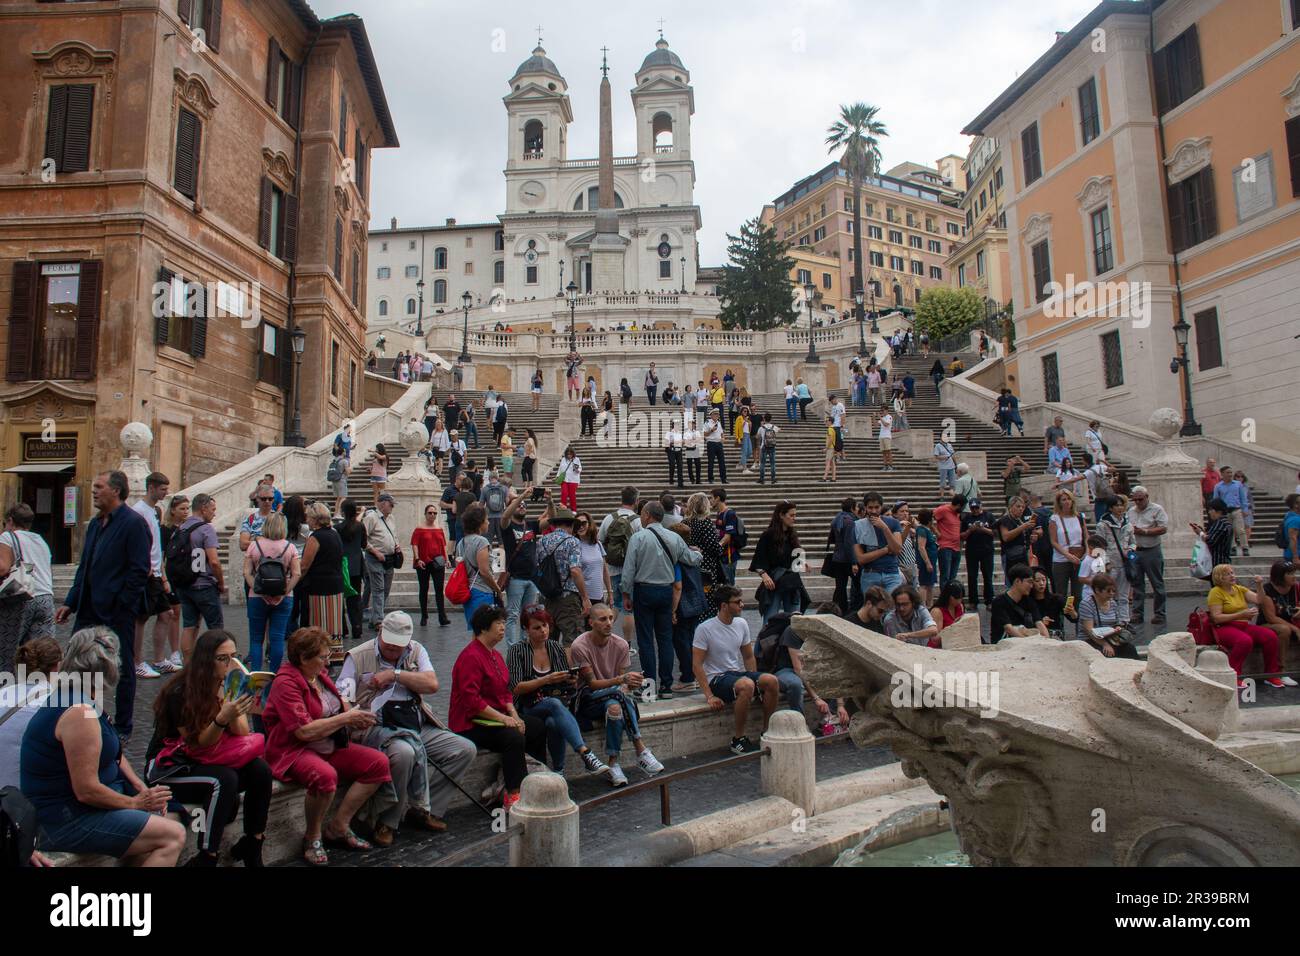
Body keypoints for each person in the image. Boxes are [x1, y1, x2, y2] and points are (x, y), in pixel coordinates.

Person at [20, 626, 186, 864]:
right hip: (65, 820)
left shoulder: (77, 695)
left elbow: (113, 753)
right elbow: (86, 790)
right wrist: (136, 803)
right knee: (173, 834)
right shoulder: (80, 712)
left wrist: (139, 786)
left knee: (169, 816)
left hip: (80, 809)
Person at [338, 611, 477, 846]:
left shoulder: (416, 650)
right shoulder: (358, 655)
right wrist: (354, 714)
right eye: (388, 646)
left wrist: (395, 674)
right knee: (404, 753)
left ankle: (422, 808)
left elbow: (432, 684)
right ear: (380, 633)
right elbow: (342, 695)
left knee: (464, 749)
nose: (393, 651)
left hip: (414, 722)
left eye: (398, 648)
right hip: (377, 726)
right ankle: (387, 821)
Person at [143, 629, 274, 866]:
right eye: (223, 658)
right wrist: (222, 718)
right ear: (206, 660)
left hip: (207, 759)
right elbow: (199, 742)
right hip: (173, 766)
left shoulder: (226, 682)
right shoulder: (180, 692)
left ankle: (254, 843)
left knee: (260, 770)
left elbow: (242, 732)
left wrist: (231, 703)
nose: (230, 664)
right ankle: (207, 855)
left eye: (234, 657)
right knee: (224, 779)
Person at [263, 627, 390, 864]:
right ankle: (312, 836)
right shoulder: (286, 683)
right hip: (295, 749)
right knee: (325, 777)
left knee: (378, 763)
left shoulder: (317, 675)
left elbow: (334, 707)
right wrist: (346, 718)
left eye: (327, 655)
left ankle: (339, 826)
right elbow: (303, 731)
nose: (327, 662)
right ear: (303, 658)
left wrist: (355, 715)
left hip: (328, 744)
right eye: (322, 657)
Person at [56, 471, 151, 742]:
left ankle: (123, 726)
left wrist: (122, 606)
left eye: (99, 487)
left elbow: (138, 571)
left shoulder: (134, 524)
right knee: (75, 662)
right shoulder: (96, 524)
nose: (94, 491)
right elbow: (84, 567)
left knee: (122, 667)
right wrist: (71, 602)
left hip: (117, 610)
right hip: (88, 607)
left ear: (117, 491)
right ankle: (80, 715)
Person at [450, 605, 547, 813]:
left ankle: (536, 778)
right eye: (498, 624)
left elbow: (504, 692)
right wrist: (504, 719)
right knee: (512, 736)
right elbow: (471, 700)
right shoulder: (471, 657)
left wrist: (514, 714)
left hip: (494, 715)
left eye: (504, 623)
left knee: (536, 726)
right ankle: (514, 792)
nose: (503, 628)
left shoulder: (495, 655)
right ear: (484, 628)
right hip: (471, 722)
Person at [505, 607, 608, 776]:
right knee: (552, 704)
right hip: (528, 705)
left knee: (553, 723)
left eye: (545, 625)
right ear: (526, 630)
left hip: (557, 703)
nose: (543, 631)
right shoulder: (517, 650)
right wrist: (545, 679)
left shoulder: (555, 647)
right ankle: (585, 752)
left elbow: (564, 682)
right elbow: (515, 687)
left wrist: (570, 680)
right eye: (537, 628)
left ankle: (559, 771)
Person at [571, 604, 664, 787]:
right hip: (587, 698)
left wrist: (629, 683)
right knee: (616, 695)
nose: (608, 623)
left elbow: (622, 685)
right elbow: (592, 684)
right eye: (602, 619)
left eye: (611, 618)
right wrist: (622, 680)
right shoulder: (579, 646)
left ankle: (613, 763)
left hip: (613, 697)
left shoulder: (620, 644)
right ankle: (640, 748)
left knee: (615, 707)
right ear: (591, 622)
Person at [622, 499, 702, 697]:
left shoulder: (638, 538)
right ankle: (667, 685)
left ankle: (649, 687)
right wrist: (698, 554)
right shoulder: (673, 537)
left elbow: (628, 570)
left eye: (642, 514)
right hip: (666, 591)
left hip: (644, 591)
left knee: (646, 641)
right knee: (665, 639)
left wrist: (626, 593)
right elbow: (691, 559)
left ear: (647, 515)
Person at [693, 586, 778, 754]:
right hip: (716, 678)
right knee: (746, 685)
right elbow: (696, 665)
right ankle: (738, 739)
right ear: (724, 605)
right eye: (737, 602)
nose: (742, 605)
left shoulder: (742, 623)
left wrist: (756, 682)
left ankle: (767, 731)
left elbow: (748, 656)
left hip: (736, 674)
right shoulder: (704, 629)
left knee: (771, 681)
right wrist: (709, 696)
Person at [128, 472, 175, 681]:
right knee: (141, 618)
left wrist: (163, 575)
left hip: (156, 572)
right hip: (146, 573)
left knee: (167, 614)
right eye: (163, 489)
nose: (166, 492)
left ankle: (159, 659)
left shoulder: (155, 511)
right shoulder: (139, 511)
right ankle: (136, 662)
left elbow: (157, 545)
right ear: (151, 488)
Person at [1207, 565, 1285, 688]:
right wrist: (1242, 614)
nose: (1232, 575)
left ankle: (1271, 674)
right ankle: (1234, 675)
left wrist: (1259, 584)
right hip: (1223, 627)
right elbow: (1216, 617)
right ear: (1219, 577)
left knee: (1270, 636)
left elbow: (1259, 600)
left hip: (1243, 625)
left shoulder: (1239, 589)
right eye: (1227, 574)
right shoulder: (1215, 592)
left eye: (1232, 573)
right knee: (1244, 641)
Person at [770, 602, 845, 727]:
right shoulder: (794, 630)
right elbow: (798, 668)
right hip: (786, 670)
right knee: (795, 685)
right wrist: (816, 698)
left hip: (811, 669)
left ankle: (829, 719)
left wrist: (841, 705)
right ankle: (800, 725)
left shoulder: (827, 634)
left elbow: (834, 666)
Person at [242, 512, 301, 672]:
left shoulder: (255, 545)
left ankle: (255, 676)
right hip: (284, 598)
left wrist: (256, 588)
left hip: (257, 597)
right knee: (277, 638)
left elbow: (246, 572)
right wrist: (284, 592)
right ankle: (275, 675)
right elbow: (296, 574)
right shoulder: (290, 547)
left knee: (256, 639)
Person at [0, 503, 55, 674]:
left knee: (7, 652)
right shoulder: (40, 541)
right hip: (46, 599)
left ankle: (5, 694)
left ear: (10, 520)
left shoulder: (8, 537)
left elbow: (2, 567)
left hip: (20, 599)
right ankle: (37, 694)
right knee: (39, 654)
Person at [752, 501, 807, 624]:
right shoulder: (768, 535)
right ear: (781, 515)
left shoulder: (792, 534)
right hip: (774, 580)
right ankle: (766, 642)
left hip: (791, 580)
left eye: (795, 515)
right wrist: (764, 575)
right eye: (791, 515)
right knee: (770, 621)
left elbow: (795, 555)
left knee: (795, 620)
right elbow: (758, 558)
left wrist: (802, 562)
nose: (794, 518)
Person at [454, 503, 505, 630]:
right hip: (482, 591)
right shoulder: (482, 542)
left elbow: (460, 568)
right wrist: (498, 589)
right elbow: (484, 571)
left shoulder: (461, 542)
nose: (488, 522)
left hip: (469, 591)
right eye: (486, 519)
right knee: (485, 632)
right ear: (479, 523)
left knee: (476, 631)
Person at [1127, 486, 1168, 626]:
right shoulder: (1131, 511)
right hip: (1135, 551)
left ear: (1147, 497)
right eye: (1135, 499)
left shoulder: (1157, 509)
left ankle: (1160, 613)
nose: (1138, 502)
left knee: (1157, 583)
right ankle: (1137, 613)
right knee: (1136, 583)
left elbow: (1163, 528)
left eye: (1141, 499)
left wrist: (1144, 531)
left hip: (1152, 550)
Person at [1076, 574, 1139, 659]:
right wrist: (1104, 644)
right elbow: (1089, 630)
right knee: (1106, 653)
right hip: (1091, 640)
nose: (1112, 594)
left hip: (1110, 638)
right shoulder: (1086, 604)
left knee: (1130, 649)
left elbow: (1116, 623)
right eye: (1108, 591)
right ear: (1097, 590)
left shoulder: (1112, 603)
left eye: (1113, 591)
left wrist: (1118, 628)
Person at [362, 493, 401, 627]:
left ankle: (374, 618)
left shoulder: (391, 518)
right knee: (378, 588)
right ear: (383, 503)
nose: (392, 508)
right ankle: (379, 620)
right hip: (375, 558)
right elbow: (363, 538)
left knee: (386, 589)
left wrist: (397, 546)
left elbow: (394, 535)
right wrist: (375, 551)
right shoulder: (371, 518)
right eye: (391, 505)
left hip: (389, 559)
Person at [855, 492, 903, 597]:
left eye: (877, 507)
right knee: (872, 610)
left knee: (893, 609)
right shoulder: (858, 526)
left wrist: (885, 528)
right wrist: (885, 550)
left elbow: (897, 550)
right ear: (865, 508)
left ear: (881, 507)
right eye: (870, 508)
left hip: (892, 573)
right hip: (870, 574)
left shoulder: (893, 523)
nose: (873, 511)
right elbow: (861, 559)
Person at [412, 503, 451, 627]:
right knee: (424, 589)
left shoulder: (439, 528)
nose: (432, 515)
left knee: (439, 589)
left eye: (435, 513)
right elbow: (414, 544)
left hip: (438, 562)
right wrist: (417, 559)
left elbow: (443, 545)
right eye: (430, 513)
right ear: (425, 514)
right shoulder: (419, 528)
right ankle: (424, 615)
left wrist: (447, 559)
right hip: (423, 562)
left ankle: (442, 616)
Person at [1259, 561, 1300, 675]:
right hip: (1268, 624)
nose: (1294, 576)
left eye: (1294, 573)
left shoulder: (1296, 587)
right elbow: (1271, 618)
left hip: (1292, 621)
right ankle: (1280, 670)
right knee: (1284, 630)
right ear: (1280, 576)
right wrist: (1295, 629)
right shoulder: (1267, 590)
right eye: (1290, 574)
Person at [989, 565, 1048, 642]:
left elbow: (1039, 622)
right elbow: (1008, 628)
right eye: (1029, 582)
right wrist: (1028, 643)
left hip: (1025, 640)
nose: (1031, 586)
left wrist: (1047, 640)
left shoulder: (1029, 600)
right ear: (1017, 581)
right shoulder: (999, 602)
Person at [1049, 490, 1087, 603]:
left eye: (1069, 499)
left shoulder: (1079, 517)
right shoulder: (1054, 518)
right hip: (1061, 559)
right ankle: (1059, 619)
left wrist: (1087, 551)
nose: (1067, 502)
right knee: (1061, 594)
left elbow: (1086, 536)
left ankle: (1076, 617)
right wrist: (1067, 555)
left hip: (1078, 557)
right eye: (1063, 499)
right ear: (1059, 502)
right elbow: (1053, 541)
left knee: (1078, 594)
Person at [336, 499, 366, 643]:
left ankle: (342, 628)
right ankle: (357, 627)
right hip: (356, 566)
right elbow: (364, 544)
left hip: (342, 565)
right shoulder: (360, 526)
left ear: (343, 511)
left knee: (340, 598)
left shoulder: (338, 528)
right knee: (355, 598)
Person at [960, 499, 996, 608]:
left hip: (987, 550)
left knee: (987, 576)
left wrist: (982, 528)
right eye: (972, 508)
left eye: (977, 508)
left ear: (981, 506)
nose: (975, 510)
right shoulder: (967, 518)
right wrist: (970, 530)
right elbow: (962, 536)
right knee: (972, 576)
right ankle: (973, 601)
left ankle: (989, 600)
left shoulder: (988, 516)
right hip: (971, 551)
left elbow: (995, 533)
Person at [575, 511, 613, 610]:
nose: (581, 527)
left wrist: (610, 592)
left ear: (590, 524)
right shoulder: (574, 545)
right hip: (584, 598)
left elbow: (604, 570)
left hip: (599, 596)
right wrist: (584, 598)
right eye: (577, 524)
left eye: (583, 523)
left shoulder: (598, 544)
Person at [1212, 466, 1249, 557]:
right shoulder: (1218, 486)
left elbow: (1243, 497)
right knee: (1229, 530)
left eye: (1231, 472)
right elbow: (1216, 499)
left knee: (1240, 529)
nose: (1230, 474)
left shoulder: (1238, 484)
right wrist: (1217, 511)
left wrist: (1245, 509)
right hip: (1225, 511)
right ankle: (1232, 547)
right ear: (1222, 474)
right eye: (1228, 472)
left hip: (1236, 509)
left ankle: (1245, 547)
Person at [997, 495, 1036, 575]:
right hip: (1010, 556)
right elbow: (1006, 537)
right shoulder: (1005, 519)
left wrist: (1031, 538)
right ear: (1011, 507)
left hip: (1022, 555)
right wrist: (1023, 527)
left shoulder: (1018, 520)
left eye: (1023, 507)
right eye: (1018, 506)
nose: (1021, 509)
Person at [932, 494, 965, 588]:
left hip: (957, 548)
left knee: (953, 577)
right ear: (959, 505)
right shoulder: (943, 510)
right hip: (945, 547)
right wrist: (936, 532)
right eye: (962, 507)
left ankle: (951, 597)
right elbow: (929, 517)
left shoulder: (957, 514)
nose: (963, 509)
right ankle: (944, 598)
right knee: (945, 576)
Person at [914, 508, 939, 608]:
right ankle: (923, 606)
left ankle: (930, 605)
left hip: (931, 560)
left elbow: (938, 535)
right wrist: (927, 562)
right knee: (924, 584)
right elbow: (921, 547)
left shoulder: (925, 529)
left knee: (930, 584)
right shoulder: (922, 530)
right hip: (926, 562)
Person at [703, 409, 728, 484]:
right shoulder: (707, 423)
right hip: (711, 443)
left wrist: (723, 438)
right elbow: (704, 434)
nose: (717, 416)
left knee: (722, 462)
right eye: (715, 414)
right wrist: (711, 430)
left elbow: (721, 433)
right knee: (711, 462)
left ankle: (723, 479)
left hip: (719, 443)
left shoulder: (719, 423)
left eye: (717, 414)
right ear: (711, 415)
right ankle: (710, 479)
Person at [756, 413, 779, 485]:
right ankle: (773, 479)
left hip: (764, 447)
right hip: (772, 446)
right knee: (772, 463)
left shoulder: (761, 428)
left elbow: (757, 437)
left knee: (762, 463)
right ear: (771, 419)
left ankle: (762, 479)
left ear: (764, 419)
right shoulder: (774, 427)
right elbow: (779, 431)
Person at [557, 445, 582, 512]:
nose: (569, 456)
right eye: (568, 454)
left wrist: (576, 469)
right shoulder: (563, 459)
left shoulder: (576, 459)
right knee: (564, 493)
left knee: (572, 495)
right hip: (564, 479)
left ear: (573, 454)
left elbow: (579, 469)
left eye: (570, 454)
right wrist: (557, 476)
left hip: (573, 480)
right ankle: (562, 509)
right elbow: (560, 468)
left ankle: (574, 510)